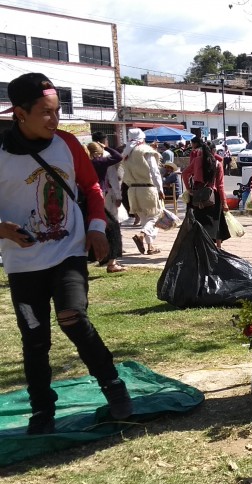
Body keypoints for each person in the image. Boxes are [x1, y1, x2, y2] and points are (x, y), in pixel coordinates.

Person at [0, 72, 133, 434]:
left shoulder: (68, 144)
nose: (53, 120)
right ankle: (42, 410)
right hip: (23, 262)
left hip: (68, 250)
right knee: (35, 337)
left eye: (57, 111)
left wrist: (95, 228)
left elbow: (90, 186)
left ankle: (113, 386)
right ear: (19, 113)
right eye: (45, 112)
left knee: (73, 316)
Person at [123, 128, 165, 255]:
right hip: (148, 189)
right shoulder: (145, 151)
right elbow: (155, 172)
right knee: (156, 216)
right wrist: (160, 189)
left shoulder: (127, 153)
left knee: (144, 219)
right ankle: (142, 235)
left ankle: (150, 246)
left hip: (133, 190)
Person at [182, 136, 229, 247]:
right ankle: (217, 248)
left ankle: (200, 247)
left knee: (199, 223)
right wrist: (225, 202)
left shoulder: (196, 161)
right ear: (213, 151)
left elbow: (185, 173)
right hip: (213, 197)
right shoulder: (217, 164)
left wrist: (189, 189)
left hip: (197, 196)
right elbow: (220, 185)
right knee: (216, 223)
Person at [86, 141, 126, 273]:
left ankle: (101, 258)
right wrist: (106, 147)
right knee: (112, 228)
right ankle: (111, 262)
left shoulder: (84, 162)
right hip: (98, 195)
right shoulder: (100, 161)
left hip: (84, 197)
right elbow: (118, 157)